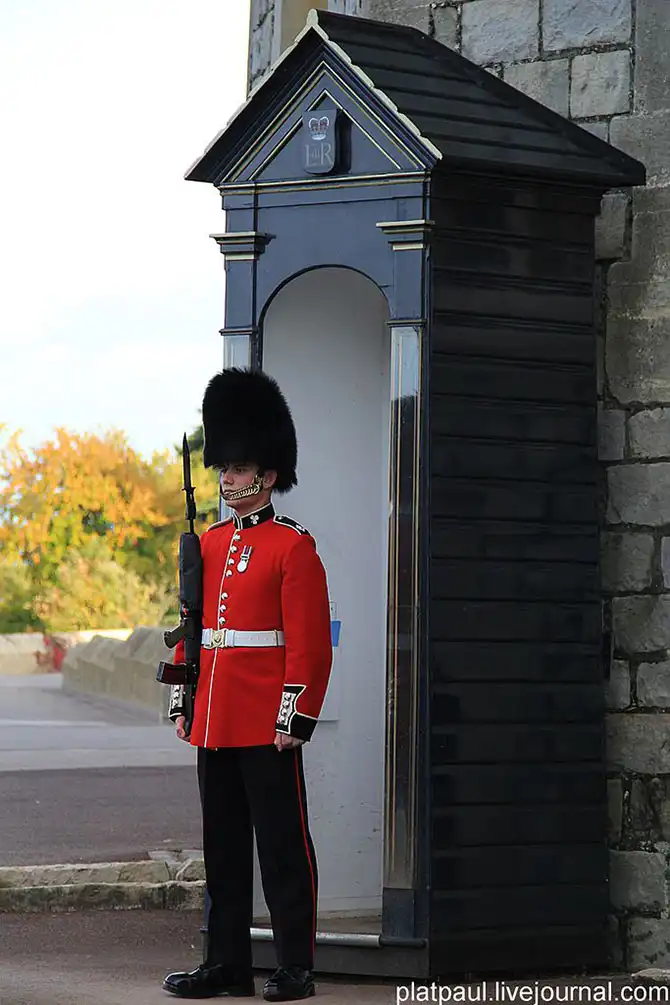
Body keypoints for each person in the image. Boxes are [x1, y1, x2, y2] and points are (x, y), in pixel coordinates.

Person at [162, 367, 333, 1001]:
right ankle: (227, 962)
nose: (225, 477)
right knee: (223, 848)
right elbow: (193, 627)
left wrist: (295, 714)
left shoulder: (293, 548)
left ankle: (295, 965)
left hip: (266, 719)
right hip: (215, 717)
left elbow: (308, 645)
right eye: (223, 466)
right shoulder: (208, 545)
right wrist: (185, 693)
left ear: (264, 472)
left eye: (235, 467)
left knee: (283, 847)